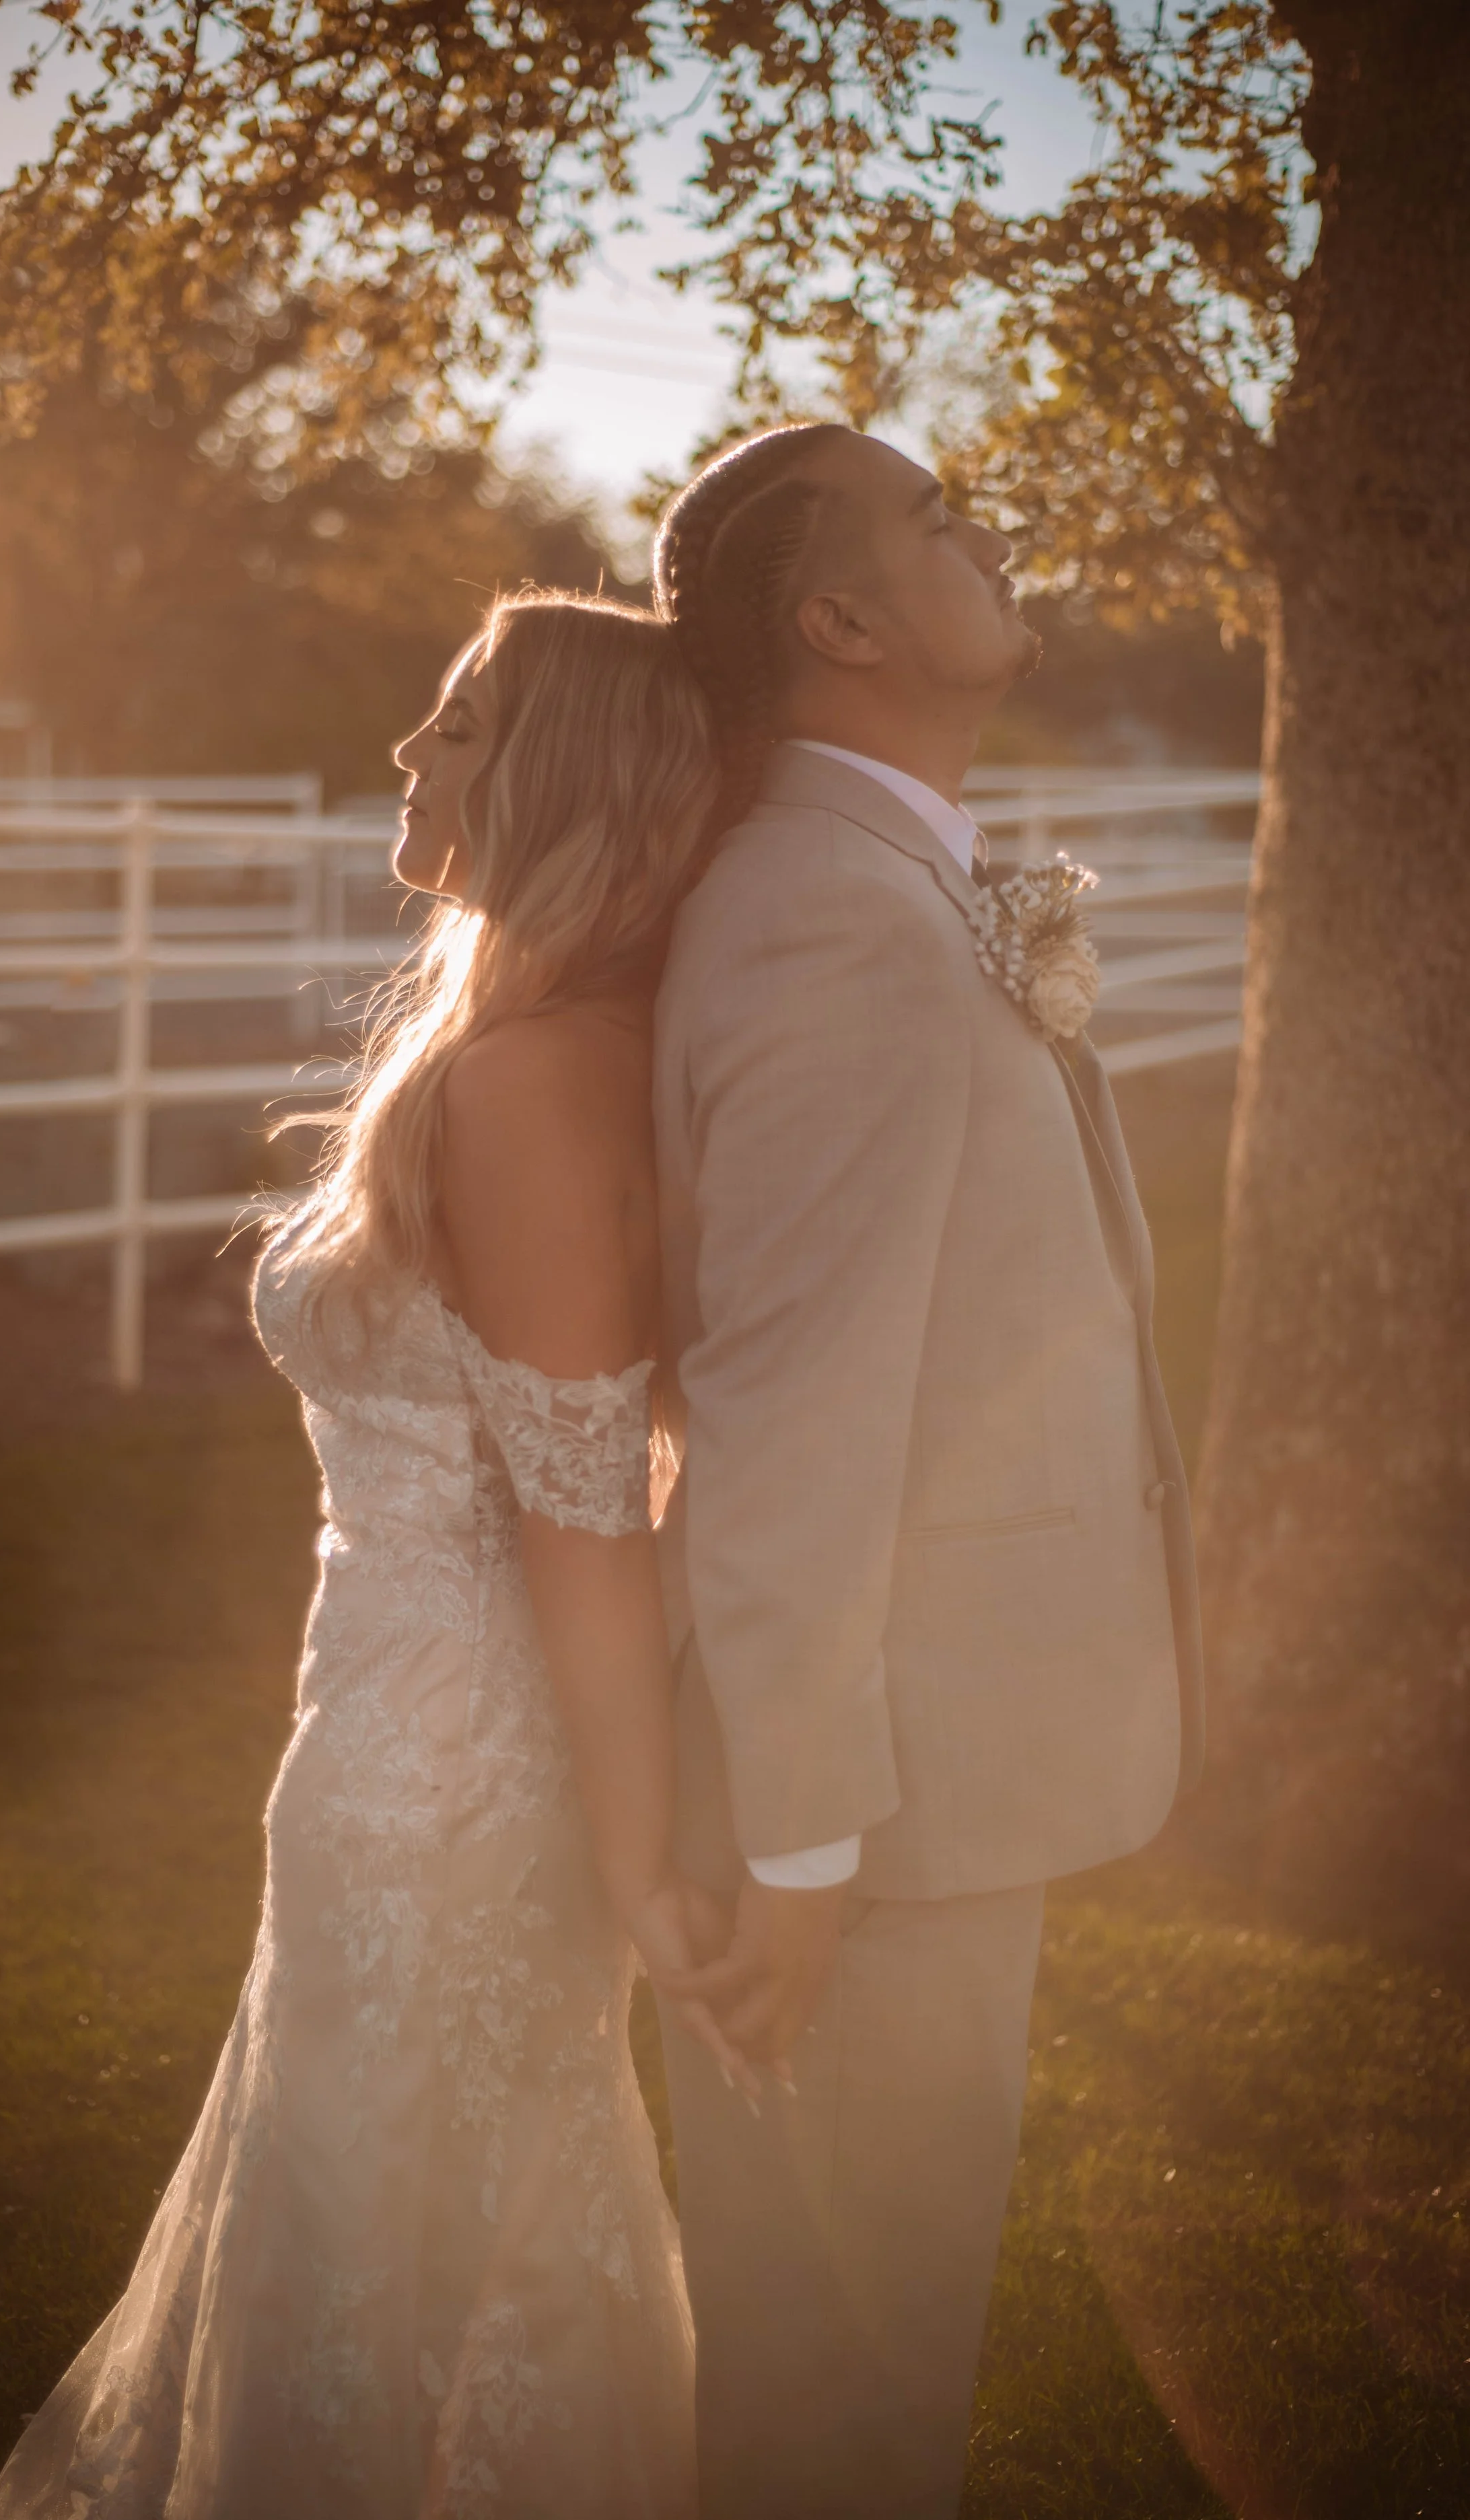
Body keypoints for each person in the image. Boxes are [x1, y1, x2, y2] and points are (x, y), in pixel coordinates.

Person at [0, 589, 742, 2520]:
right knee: (405, 2213)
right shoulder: (525, 1051)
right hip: (396, 1728)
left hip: (452, 1773)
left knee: (414, 2229)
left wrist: (645, 1867)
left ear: (562, 778)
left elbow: (588, 1515)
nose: (408, 751)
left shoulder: (531, 1080)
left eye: (458, 723)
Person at [647, 423, 1206, 2520]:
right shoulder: (829, 915)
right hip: (870, 1818)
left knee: (863, 2376)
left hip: (917, 1784)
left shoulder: (881, 886)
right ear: (839, 619)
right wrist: (801, 1845)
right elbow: (784, 1411)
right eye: (938, 517)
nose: (992, 536)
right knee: (838, 2402)